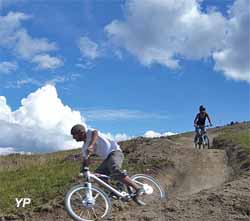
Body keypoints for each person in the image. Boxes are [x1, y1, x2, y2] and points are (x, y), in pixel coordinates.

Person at [71, 124, 143, 196]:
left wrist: (92, 145)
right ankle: (115, 191)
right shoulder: (84, 147)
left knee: (114, 167)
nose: (73, 137)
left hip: (114, 152)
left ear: (81, 132)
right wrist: (83, 170)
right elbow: (86, 160)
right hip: (106, 159)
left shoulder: (90, 132)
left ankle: (138, 188)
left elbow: (95, 133)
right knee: (98, 176)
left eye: (74, 135)